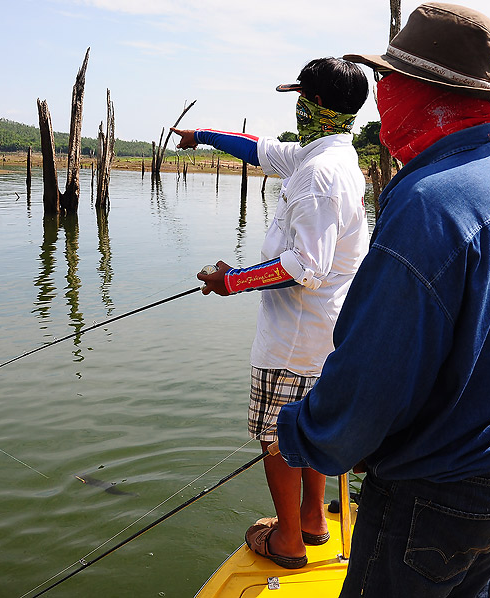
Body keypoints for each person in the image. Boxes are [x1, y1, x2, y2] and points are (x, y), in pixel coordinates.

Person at [273, 4, 490, 596]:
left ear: (420, 92)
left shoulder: (430, 202)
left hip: (439, 491)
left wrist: (304, 435)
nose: (380, 98)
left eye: (387, 81)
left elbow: (372, 376)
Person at [171, 57, 369, 569]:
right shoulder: (327, 157)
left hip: (294, 336)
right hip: (326, 332)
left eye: (303, 97)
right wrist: (204, 136)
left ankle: (287, 541)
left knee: (277, 436)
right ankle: (312, 519)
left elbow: (306, 265)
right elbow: (260, 149)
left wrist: (230, 280)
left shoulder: (319, 176)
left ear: (319, 105)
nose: (298, 106)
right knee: (309, 426)